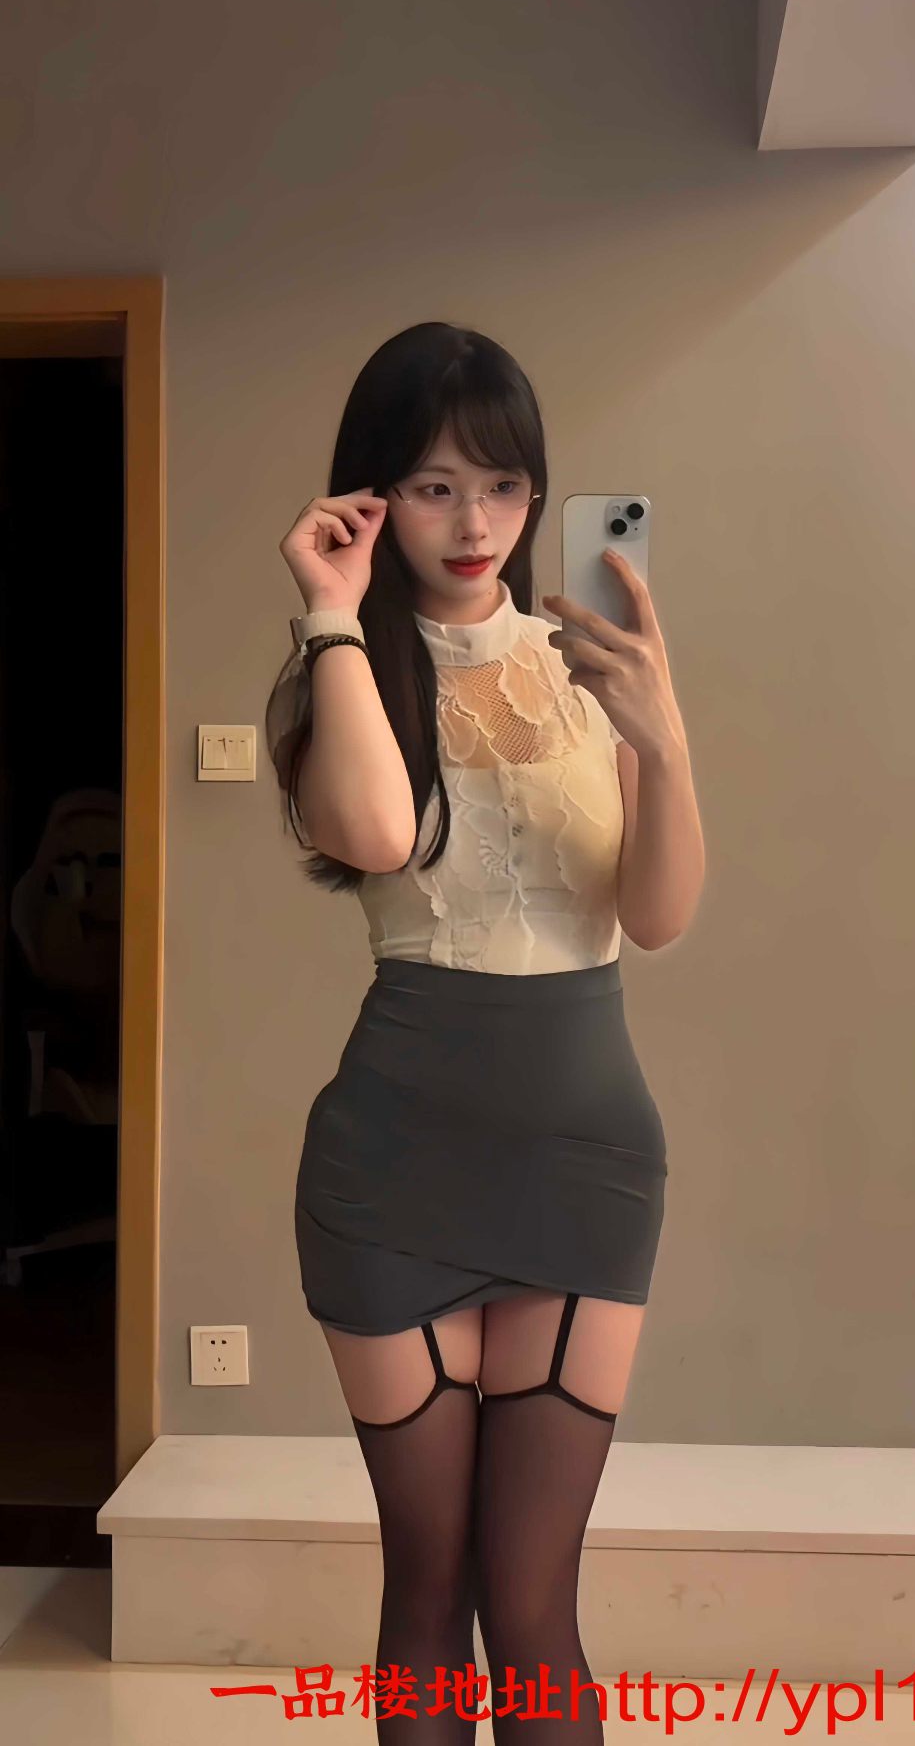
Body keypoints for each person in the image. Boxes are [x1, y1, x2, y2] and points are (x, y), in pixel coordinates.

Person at [265, 321, 705, 1746]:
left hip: (586, 1161)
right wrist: (331, 612)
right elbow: (376, 832)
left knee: (533, 1604)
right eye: (436, 487)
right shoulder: (341, 672)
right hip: (395, 1166)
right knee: (428, 1588)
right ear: (372, 496)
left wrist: (663, 738)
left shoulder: (596, 666)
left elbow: (658, 918)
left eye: (505, 487)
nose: (476, 525)